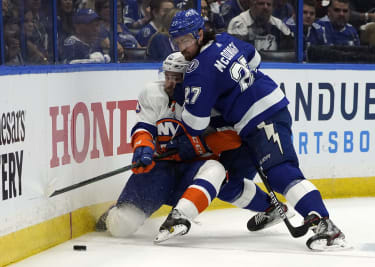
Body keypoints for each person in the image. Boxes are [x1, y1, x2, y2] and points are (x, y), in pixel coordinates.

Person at [167, 8, 351, 251]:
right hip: (249, 122)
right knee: (226, 179)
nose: (182, 47)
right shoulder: (224, 39)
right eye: (177, 41)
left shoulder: (197, 71)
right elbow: (255, 59)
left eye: (186, 40)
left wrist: (180, 95)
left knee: (280, 171)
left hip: (264, 117)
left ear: (200, 34)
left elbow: (196, 124)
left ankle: (326, 226)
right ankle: (271, 208)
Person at [96, 52, 293, 243]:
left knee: (218, 173)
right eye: (168, 76)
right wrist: (143, 148)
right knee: (120, 227)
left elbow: (234, 136)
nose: (170, 83)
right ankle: (115, 213)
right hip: (160, 168)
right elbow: (143, 128)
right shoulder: (152, 93)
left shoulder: (209, 99)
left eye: (177, 78)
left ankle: (180, 217)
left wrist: (195, 145)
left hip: (195, 166)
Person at [227, 0, 294, 51]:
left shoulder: (278, 24)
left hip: (274, 65)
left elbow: (290, 47)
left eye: (269, 4)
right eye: (261, 4)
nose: (265, 7)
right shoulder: (238, 22)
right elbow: (238, 51)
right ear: (252, 5)